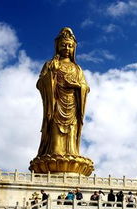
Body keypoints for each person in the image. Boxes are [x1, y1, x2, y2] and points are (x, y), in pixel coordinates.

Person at [36, 27, 90, 157]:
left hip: (72, 105)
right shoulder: (51, 64)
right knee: (55, 130)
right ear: (58, 47)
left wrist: (77, 86)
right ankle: (54, 153)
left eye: (70, 46)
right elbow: (40, 83)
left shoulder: (77, 68)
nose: (66, 48)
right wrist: (51, 73)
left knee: (72, 130)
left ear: (73, 49)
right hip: (56, 104)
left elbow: (85, 87)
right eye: (64, 45)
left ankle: (72, 153)